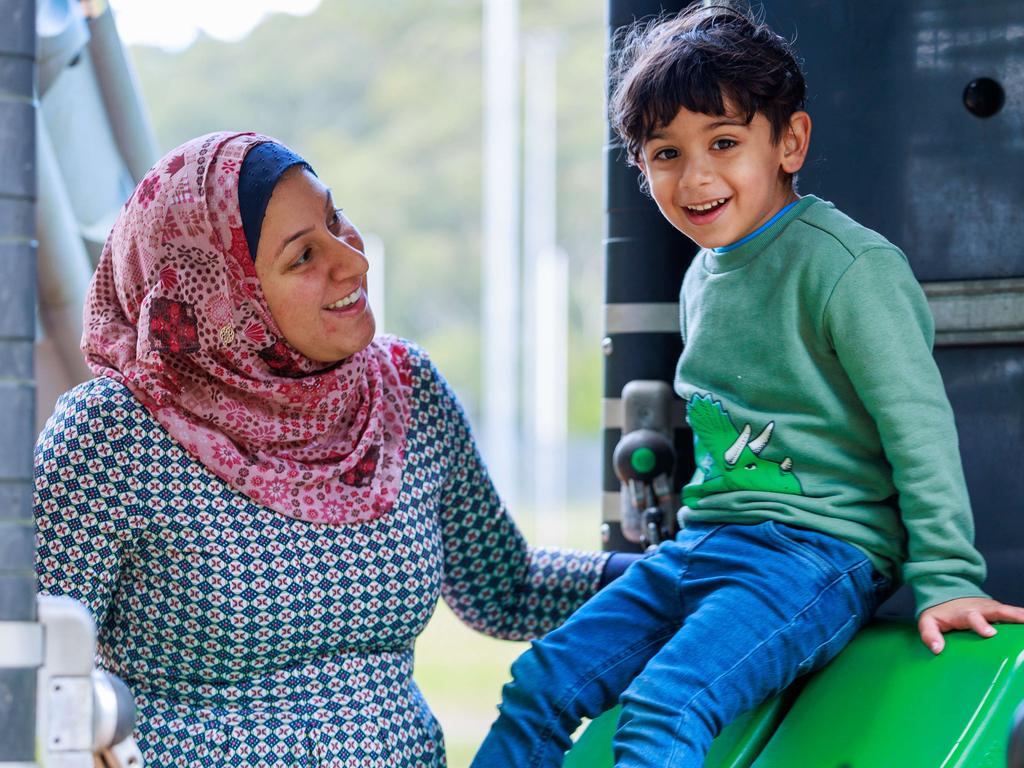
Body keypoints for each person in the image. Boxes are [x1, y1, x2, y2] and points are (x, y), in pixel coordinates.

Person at [470, 6, 1024, 767]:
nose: (695, 177)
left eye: (724, 143)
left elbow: (917, 427)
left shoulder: (847, 266)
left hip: (816, 553)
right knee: (539, 681)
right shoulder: (704, 274)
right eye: (666, 154)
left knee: (667, 703)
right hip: (705, 544)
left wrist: (948, 580)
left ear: (789, 142)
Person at [33, 131, 614, 767]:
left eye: (335, 218)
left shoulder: (405, 390)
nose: (353, 261)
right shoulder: (112, 435)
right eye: (304, 255)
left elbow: (507, 586)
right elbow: (37, 667)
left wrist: (675, 573)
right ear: (222, 301)